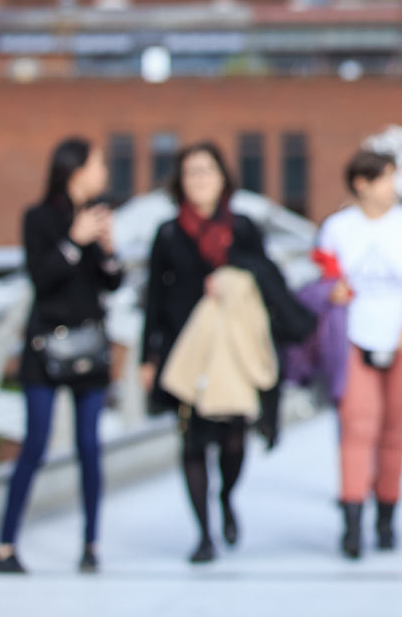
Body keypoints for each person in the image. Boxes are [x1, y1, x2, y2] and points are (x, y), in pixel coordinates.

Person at [140, 142, 280, 564]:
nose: (200, 179)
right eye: (191, 172)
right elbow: (153, 299)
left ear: (223, 178)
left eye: (207, 170)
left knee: (234, 439)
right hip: (187, 353)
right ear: (180, 183)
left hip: (234, 351)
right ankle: (204, 534)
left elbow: (268, 281)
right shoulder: (167, 233)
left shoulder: (244, 228)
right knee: (192, 443)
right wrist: (149, 357)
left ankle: (226, 496)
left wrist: (235, 279)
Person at [0, 136, 121, 575]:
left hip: (89, 346)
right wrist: (73, 241)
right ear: (76, 170)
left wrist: (107, 250)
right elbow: (42, 278)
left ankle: (91, 544)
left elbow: (112, 283)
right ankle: (7, 544)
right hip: (44, 346)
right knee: (35, 444)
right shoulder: (39, 218)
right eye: (99, 164)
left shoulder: (99, 216)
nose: (104, 173)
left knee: (89, 445)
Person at [317, 149, 402, 559]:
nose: (393, 187)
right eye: (385, 178)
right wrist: (333, 289)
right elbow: (326, 278)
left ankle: (386, 519)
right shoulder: (336, 228)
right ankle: (351, 523)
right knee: (357, 428)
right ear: (362, 184)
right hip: (353, 338)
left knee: (392, 432)